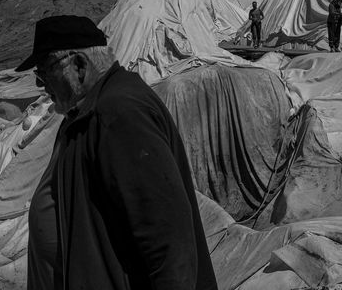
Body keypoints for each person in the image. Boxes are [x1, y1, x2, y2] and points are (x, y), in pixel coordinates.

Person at [17, 15, 217, 290]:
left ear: (79, 65)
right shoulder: (87, 113)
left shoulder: (120, 114)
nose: (41, 85)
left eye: (45, 71)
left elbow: (167, 237)